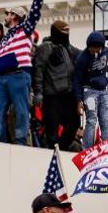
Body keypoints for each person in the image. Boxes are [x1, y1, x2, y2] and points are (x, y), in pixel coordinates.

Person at [0, 0, 44, 144]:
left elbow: (34, 14)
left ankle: (21, 141)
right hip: (1, 78)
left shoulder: (24, 30)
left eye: (7, 14)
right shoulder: (3, 40)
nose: (5, 17)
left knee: (21, 111)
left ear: (14, 16)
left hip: (18, 75)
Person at [33, 21, 80, 151]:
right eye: (64, 31)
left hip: (68, 95)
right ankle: (53, 152)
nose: (67, 34)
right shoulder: (45, 48)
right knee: (52, 129)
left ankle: (61, 148)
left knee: (74, 124)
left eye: (68, 31)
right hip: (52, 96)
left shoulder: (70, 49)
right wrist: (38, 93)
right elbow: (38, 70)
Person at [73, 31, 108, 149]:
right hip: (89, 91)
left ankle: (107, 147)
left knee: (105, 120)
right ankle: (87, 148)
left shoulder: (107, 52)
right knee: (91, 120)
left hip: (102, 90)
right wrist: (79, 100)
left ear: (101, 47)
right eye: (92, 48)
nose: (94, 50)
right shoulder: (82, 59)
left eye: (96, 48)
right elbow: (77, 80)